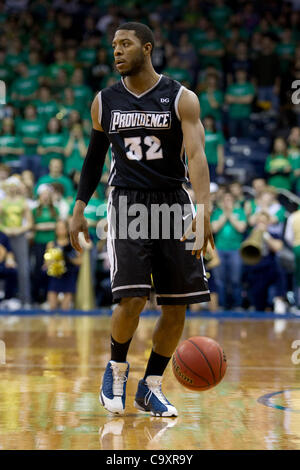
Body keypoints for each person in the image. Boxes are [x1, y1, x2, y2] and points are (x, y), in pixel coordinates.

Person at [70, 22, 213, 417]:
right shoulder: (104, 101)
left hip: (174, 204)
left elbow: (197, 156)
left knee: (176, 305)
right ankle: (115, 370)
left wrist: (203, 211)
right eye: (113, 45)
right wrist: (79, 206)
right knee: (131, 298)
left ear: (147, 49)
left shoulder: (181, 97)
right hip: (128, 204)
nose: (116, 51)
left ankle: (150, 386)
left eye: (125, 44)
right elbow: (94, 156)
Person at [45, 220, 81, 310]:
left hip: (69, 275)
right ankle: (53, 323)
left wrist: (68, 259)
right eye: (58, 228)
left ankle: (65, 323)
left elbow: (80, 261)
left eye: (62, 228)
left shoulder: (73, 243)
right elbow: (46, 262)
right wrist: (54, 262)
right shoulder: (51, 244)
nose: (60, 230)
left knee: (65, 307)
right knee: (52, 306)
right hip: (55, 275)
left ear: (67, 229)